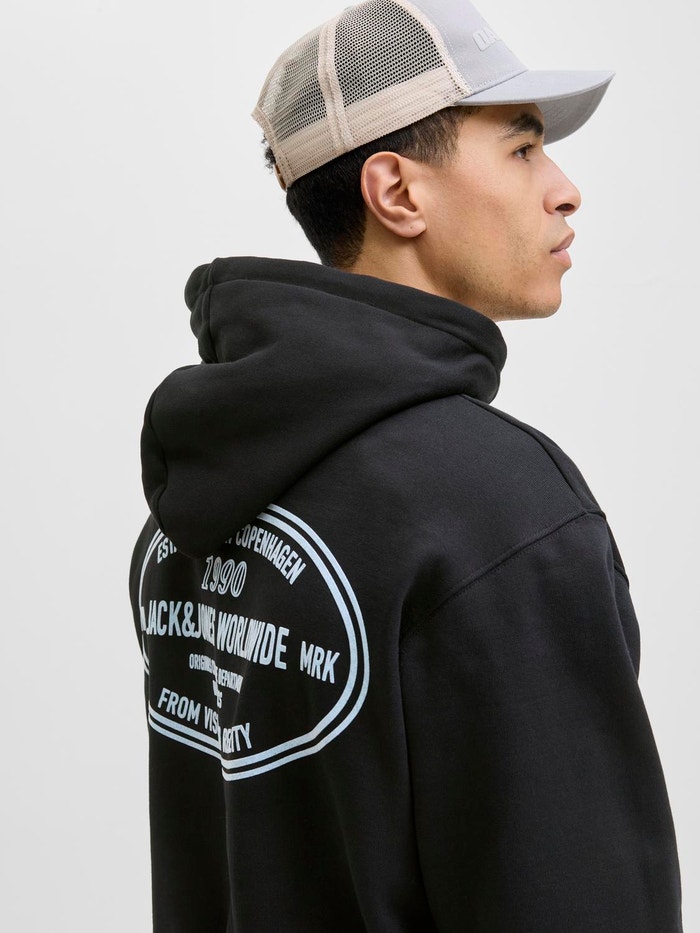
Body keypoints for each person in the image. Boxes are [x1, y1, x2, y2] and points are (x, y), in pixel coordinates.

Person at [129, 0, 684, 929]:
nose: (564, 190)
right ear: (397, 192)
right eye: (522, 148)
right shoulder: (496, 509)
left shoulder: (185, 509)